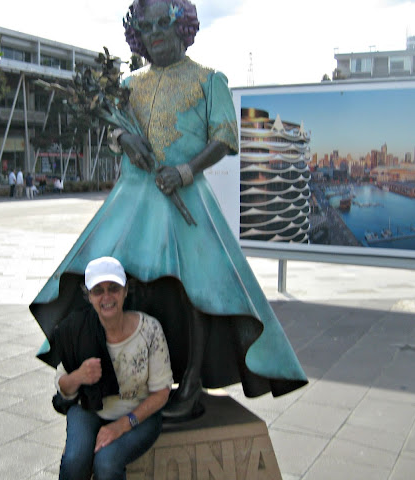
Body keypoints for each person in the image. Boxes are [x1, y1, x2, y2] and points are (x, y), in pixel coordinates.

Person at [31, 0, 307, 421]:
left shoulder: (209, 79)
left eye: (164, 22)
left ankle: (191, 380)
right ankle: (127, 376)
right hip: (133, 198)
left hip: (186, 197)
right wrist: (124, 138)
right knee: (120, 281)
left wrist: (185, 170)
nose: (156, 32)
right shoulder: (128, 83)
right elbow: (114, 129)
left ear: (184, 26)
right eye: (146, 26)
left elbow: (225, 137)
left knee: (196, 290)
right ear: (136, 33)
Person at [52, 256, 173, 480]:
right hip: (89, 408)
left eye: (114, 288)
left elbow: (161, 392)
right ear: (89, 296)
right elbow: (64, 387)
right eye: (98, 290)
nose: (106, 297)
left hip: (138, 414)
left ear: (125, 291)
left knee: (106, 463)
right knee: (75, 461)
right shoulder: (76, 330)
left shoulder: (150, 330)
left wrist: (122, 425)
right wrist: (79, 376)